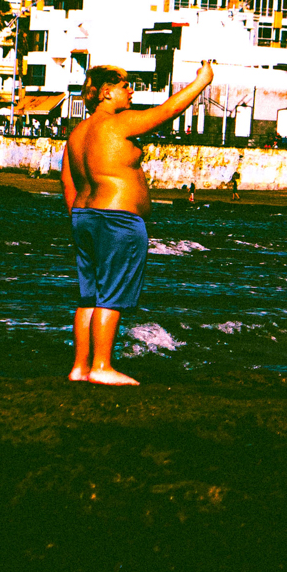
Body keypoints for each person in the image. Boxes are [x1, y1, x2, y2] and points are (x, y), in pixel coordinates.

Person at [61, 61, 214, 386]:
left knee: (89, 296)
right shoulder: (120, 123)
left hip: (84, 217)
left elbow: (68, 183)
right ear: (104, 92)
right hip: (117, 219)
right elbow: (169, 110)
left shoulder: (77, 133)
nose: (131, 90)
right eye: (124, 85)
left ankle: (80, 367)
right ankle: (101, 366)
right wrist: (203, 80)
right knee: (111, 296)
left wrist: (80, 220)